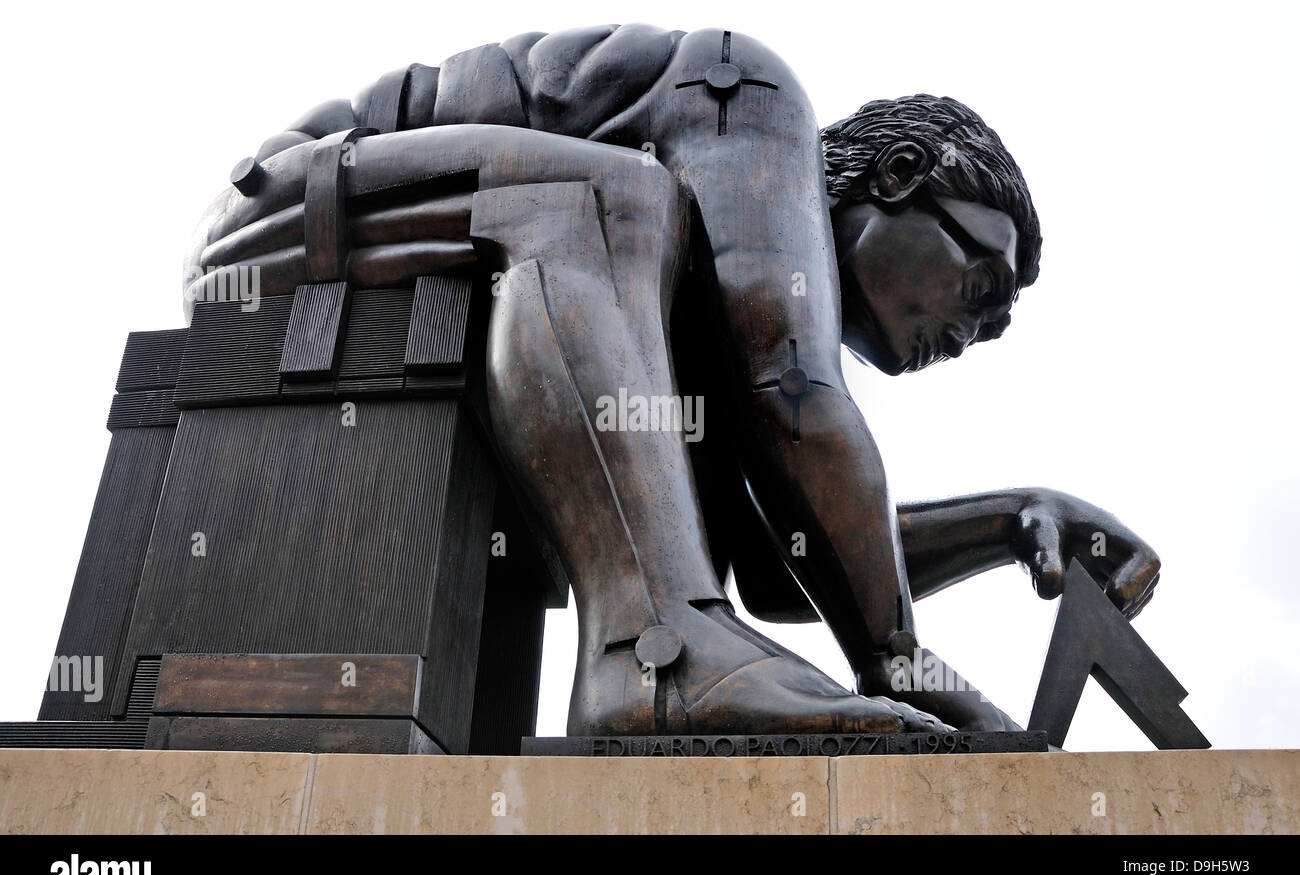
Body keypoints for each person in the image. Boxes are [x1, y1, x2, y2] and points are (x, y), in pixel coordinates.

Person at [185, 24, 1160, 735]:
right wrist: (902, 667)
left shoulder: (677, 311)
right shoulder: (755, 99)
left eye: (989, 330)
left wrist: (1007, 517)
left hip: (392, 222)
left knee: (616, 219)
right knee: (607, 200)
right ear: (900, 174)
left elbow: (785, 565)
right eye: (979, 284)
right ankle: (650, 657)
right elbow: (795, 390)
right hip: (293, 205)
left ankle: (670, 642)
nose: (972, 331)